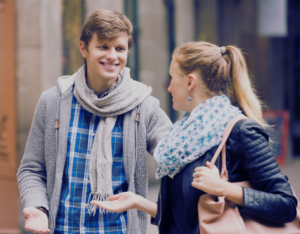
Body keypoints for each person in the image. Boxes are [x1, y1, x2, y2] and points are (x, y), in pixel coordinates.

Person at [91, 41, 298, 234]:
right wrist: (137, 202)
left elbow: (286, 205)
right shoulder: (180, 141)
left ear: (190, 82)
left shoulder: (241, 132)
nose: (169, 87)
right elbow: (185, 218)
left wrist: (224, 188)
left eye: (172, 78)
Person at [17, 9, 172, 234]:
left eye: (119, 48)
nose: (112, 56)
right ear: (83, 48)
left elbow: (178, 159)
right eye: (103, 47)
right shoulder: (53, 101)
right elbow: (31, 168)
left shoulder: (144, 106)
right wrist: (38, 207)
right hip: (60, 229)